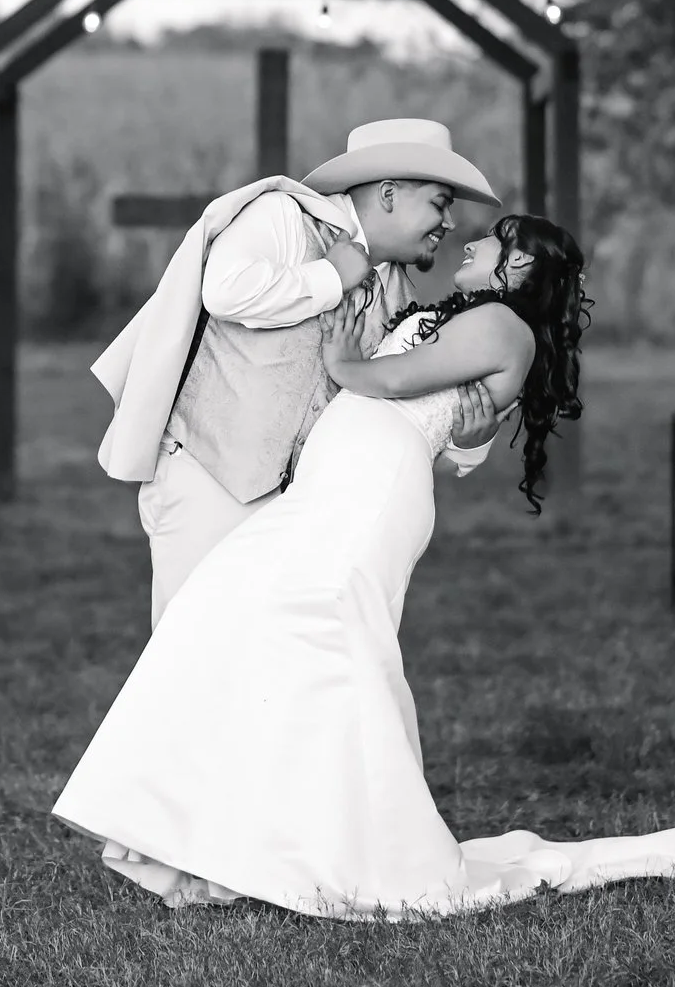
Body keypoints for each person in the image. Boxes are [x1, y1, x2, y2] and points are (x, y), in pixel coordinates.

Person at [57, 213, 675, 919]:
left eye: (493, 239)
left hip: (370, 492)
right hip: (334, 484)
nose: (471, 239)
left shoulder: (503, 327)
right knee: (226, 614)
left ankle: (338, 846)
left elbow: (389, 382)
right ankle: (230, 841)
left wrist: (342, 357)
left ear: (516, 269)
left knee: (321, 646)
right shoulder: (463, 314)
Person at [90, 118, 500, 625]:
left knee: (269, 672)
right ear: (390, 194)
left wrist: (467, 442)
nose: (451, 223)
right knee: (189, 656)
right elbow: (225, 289)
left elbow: (398, 416)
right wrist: (332, 276)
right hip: (207, 482)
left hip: (301, 510)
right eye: (440, 203)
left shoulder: (403, 299)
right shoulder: (282, 215)